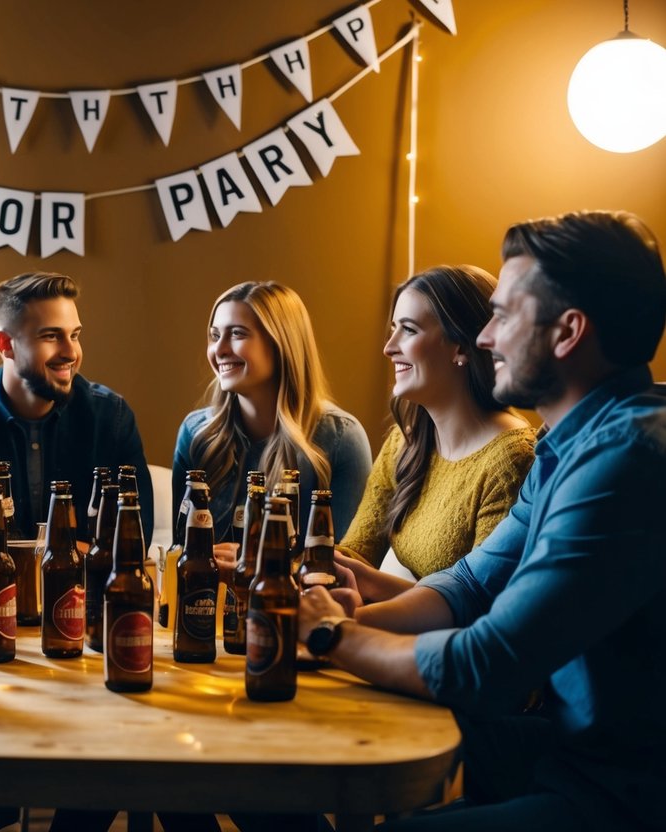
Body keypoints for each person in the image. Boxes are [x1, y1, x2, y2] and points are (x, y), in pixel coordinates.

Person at [300, 211, 666, 832]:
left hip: (620, 790)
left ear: (568, 332)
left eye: (503, 315)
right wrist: (333, 620)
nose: (487, 338)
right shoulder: (566, 444)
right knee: (315, 728)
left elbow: (489, 662)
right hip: (561, 748)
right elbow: (468, 584)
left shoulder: (625, 461)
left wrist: (331, 637)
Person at [335, 266, 535, 601]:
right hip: (399, 624)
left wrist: (365, 582)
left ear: (461, 347)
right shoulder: (406, 442)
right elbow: (356, 552)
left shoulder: (511, 460)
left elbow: (479, 603)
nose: (389, 348)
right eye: (393, 329)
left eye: (409, 330)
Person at [0, 271, 152, 544]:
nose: (71, 353)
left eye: (74, 335)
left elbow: (136, 539)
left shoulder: (112, 417)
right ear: (5, 344)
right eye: (51, 336)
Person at [172, 281, 371, 572]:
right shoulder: (195, 434)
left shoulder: (341, 438)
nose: (219, 349)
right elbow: (180, 552)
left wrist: (255, 567)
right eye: (215, 336)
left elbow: (343, 569)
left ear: (281, 344)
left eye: (237, 334)